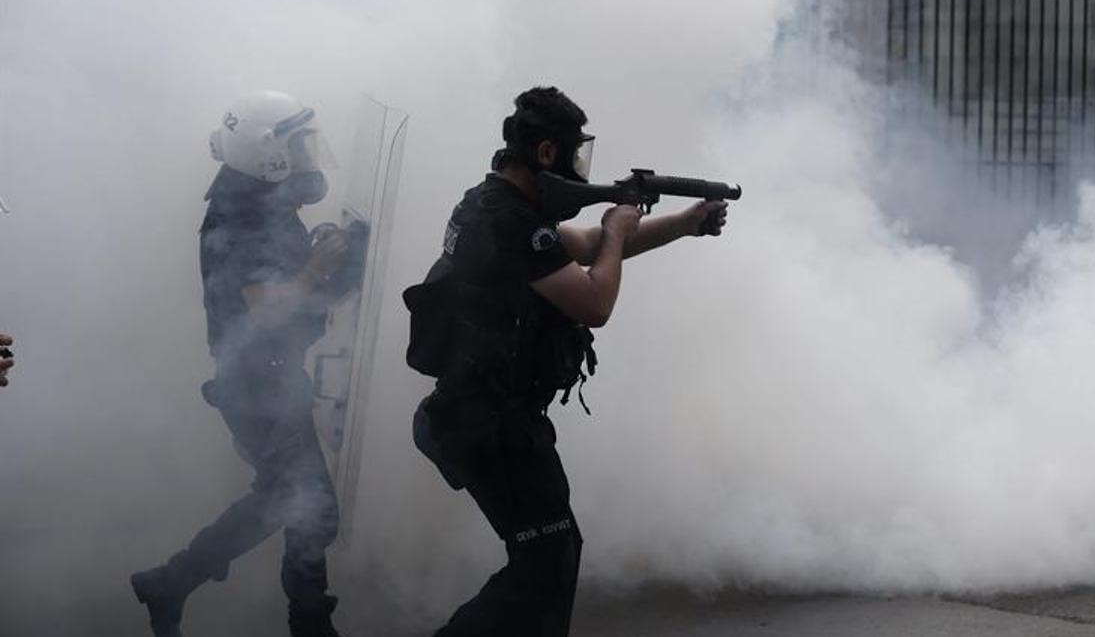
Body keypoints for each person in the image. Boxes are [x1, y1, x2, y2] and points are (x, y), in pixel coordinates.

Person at [408, 86, 729, 636]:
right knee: (543, 568)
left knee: (550, 560)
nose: (581, 169)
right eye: (574, 154)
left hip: (485, 415)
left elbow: (584, 245)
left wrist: (683, 224)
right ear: (547, 154)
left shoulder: (492, 204)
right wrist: (618, 229)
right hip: (489, 424)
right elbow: (594, 302)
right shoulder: (508, 221)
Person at [131, 91, 353, 637]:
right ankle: (308, 623)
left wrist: (318, 253)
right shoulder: (243, 214)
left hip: (265, 379)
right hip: (260, 384)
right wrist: (316, 268)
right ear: (267, 152)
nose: (308, 156)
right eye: (299, 145)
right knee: (311, 507)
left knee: (283, 497)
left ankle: (169, 583)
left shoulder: (256, 193)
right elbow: (264, 300)